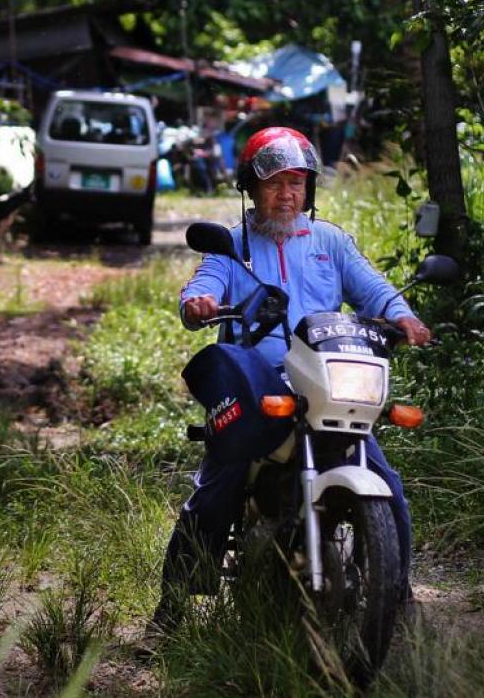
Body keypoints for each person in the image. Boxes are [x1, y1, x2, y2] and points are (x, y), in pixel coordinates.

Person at [148, 126, 430, 640]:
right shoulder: (232, 246)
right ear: (251, 190)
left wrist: (402, 315)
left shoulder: (330, 241)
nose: (286, 194)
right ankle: (173, 604)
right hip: (260, 383)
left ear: (310, 190)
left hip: (325, 375)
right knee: (221, 481)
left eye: (297, 183)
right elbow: (204, 286)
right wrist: (199, 303)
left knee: (386, 482)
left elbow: (374, 288)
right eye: (275, 183)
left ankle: (397, 595)